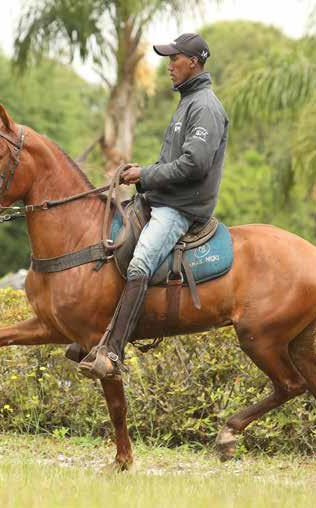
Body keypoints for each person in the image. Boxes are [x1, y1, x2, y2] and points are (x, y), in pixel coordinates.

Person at [79, 33, 230, 380]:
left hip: (181, 208)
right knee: (112, 244)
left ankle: (113, 354)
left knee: (141, 260)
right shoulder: (188, 102)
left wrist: (144, 174)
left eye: (174, 59)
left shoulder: (205, 106)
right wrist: (142, 177)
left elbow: (194, 165)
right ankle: (92, 333)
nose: (169, 66)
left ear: (193, 62)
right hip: (161, 198)